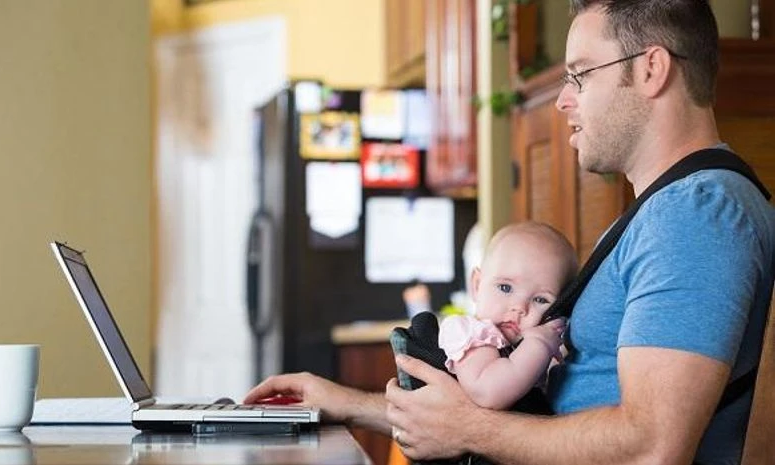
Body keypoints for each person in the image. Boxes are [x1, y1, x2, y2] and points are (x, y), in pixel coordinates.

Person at [245, 1, 775, 464]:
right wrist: (349, 403)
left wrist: (468, 430)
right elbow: (529, 419)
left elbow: (652, 448)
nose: (566, 100)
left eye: (581, 74)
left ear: (652, 69)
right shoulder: (665, 212)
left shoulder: (696, 214)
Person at [437, 222, 576, 410]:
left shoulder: (522, 345)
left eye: (540, 300)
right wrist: (538, 345)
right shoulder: (472, 333)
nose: (519, 308)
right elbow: (488, 392)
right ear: (477, 286)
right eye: (505, 288)